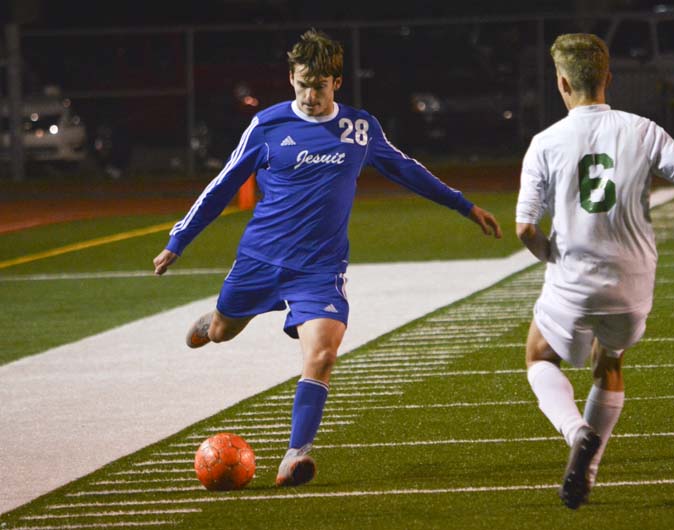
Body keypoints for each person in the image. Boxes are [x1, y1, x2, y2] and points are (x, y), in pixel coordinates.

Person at [152, 29, 502, 488]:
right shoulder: (268, 126)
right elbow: (222, 185)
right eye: (302, 85)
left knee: (322, 354)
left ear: (337, 82)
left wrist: (463, 205)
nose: (309, 96)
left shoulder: (359, 128)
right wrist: (179, 239)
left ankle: (295, 455)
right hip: (260, 260)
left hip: (320, 271)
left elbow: (406, 170)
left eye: (319, 86)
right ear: (291, 79)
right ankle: (213, 320)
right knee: (222, 332)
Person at [515, 33, 674, 510]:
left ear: (562, 83)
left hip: (574, 279)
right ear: (608, 79)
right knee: (610, 362)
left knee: (538, 356)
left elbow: (525, 228)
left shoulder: (545, 142)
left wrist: (548, 254)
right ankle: (589, 469)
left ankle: (577, 432)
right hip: (633, 282)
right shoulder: (641, 129)